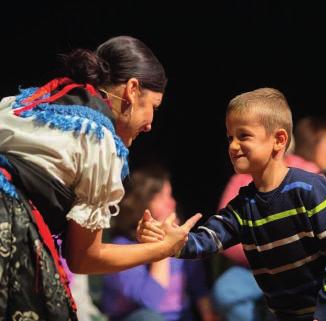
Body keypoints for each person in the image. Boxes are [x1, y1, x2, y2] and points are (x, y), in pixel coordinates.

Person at [0, 35, 200, 320]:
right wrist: (162, 249)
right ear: (132, 89)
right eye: (152, 107)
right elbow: (83, 257)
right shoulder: (99, 139)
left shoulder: (32, 101)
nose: (151, 124)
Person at [140, 88, 326, 321]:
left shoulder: (310, 188)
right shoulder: (243, 207)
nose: (233, 145)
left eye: (243, 136)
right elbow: (209, 239)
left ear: (279, 140)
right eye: (230, 137)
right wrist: (174, 242)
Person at [213, 117, 326, 321]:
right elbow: (224, 235)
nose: (236, 146)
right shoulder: (241, 179)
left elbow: (325, 234)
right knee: (226, 291)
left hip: (299, 269)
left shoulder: (308, 174)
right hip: (253, 269)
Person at [101, 166, 218, 321]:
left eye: (170, 196)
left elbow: (199, 289)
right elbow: (151, 300)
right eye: (163, 197)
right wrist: (162, 246)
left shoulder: (181, 243)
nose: (172, 203)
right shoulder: (122, 248)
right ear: (142, 205)